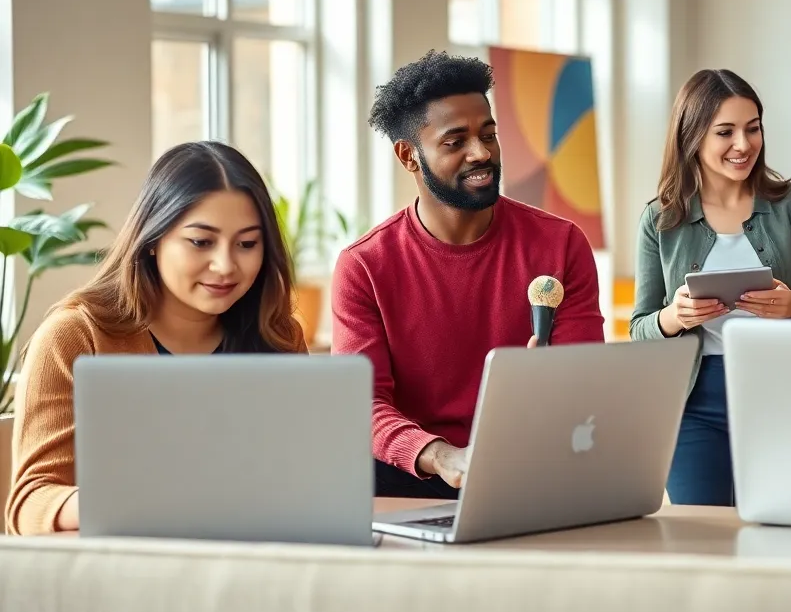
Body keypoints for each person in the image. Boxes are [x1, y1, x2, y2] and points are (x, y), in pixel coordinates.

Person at [331, 50, 605, 499]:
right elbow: (361, 405)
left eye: (489, 135)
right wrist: (442, 456)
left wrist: (553, 382)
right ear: (409, 156)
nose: (481, 153)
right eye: (455, 141)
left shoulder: (561, 244)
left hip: (530, 471)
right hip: (410, 483)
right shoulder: (365, 266)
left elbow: (585, 384)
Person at [4, 141, 307, 535]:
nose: (226, 265)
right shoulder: (74, 337)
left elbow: (303, 480)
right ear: (152, 239)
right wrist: (152, 499)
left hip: (255, 558)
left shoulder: (278, 336)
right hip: (129, 570)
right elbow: (30, 505)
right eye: (201, 241)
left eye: (247, 244)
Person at [630, 68, 791, 507]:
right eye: (725, 132)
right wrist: (674, 317)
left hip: (784, 396)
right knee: (702, 535)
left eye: (753, 129)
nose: (743, 145)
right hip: (693, 402)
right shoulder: (660, 219)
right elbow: (639, 329)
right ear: (692, 137)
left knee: (783, 529)